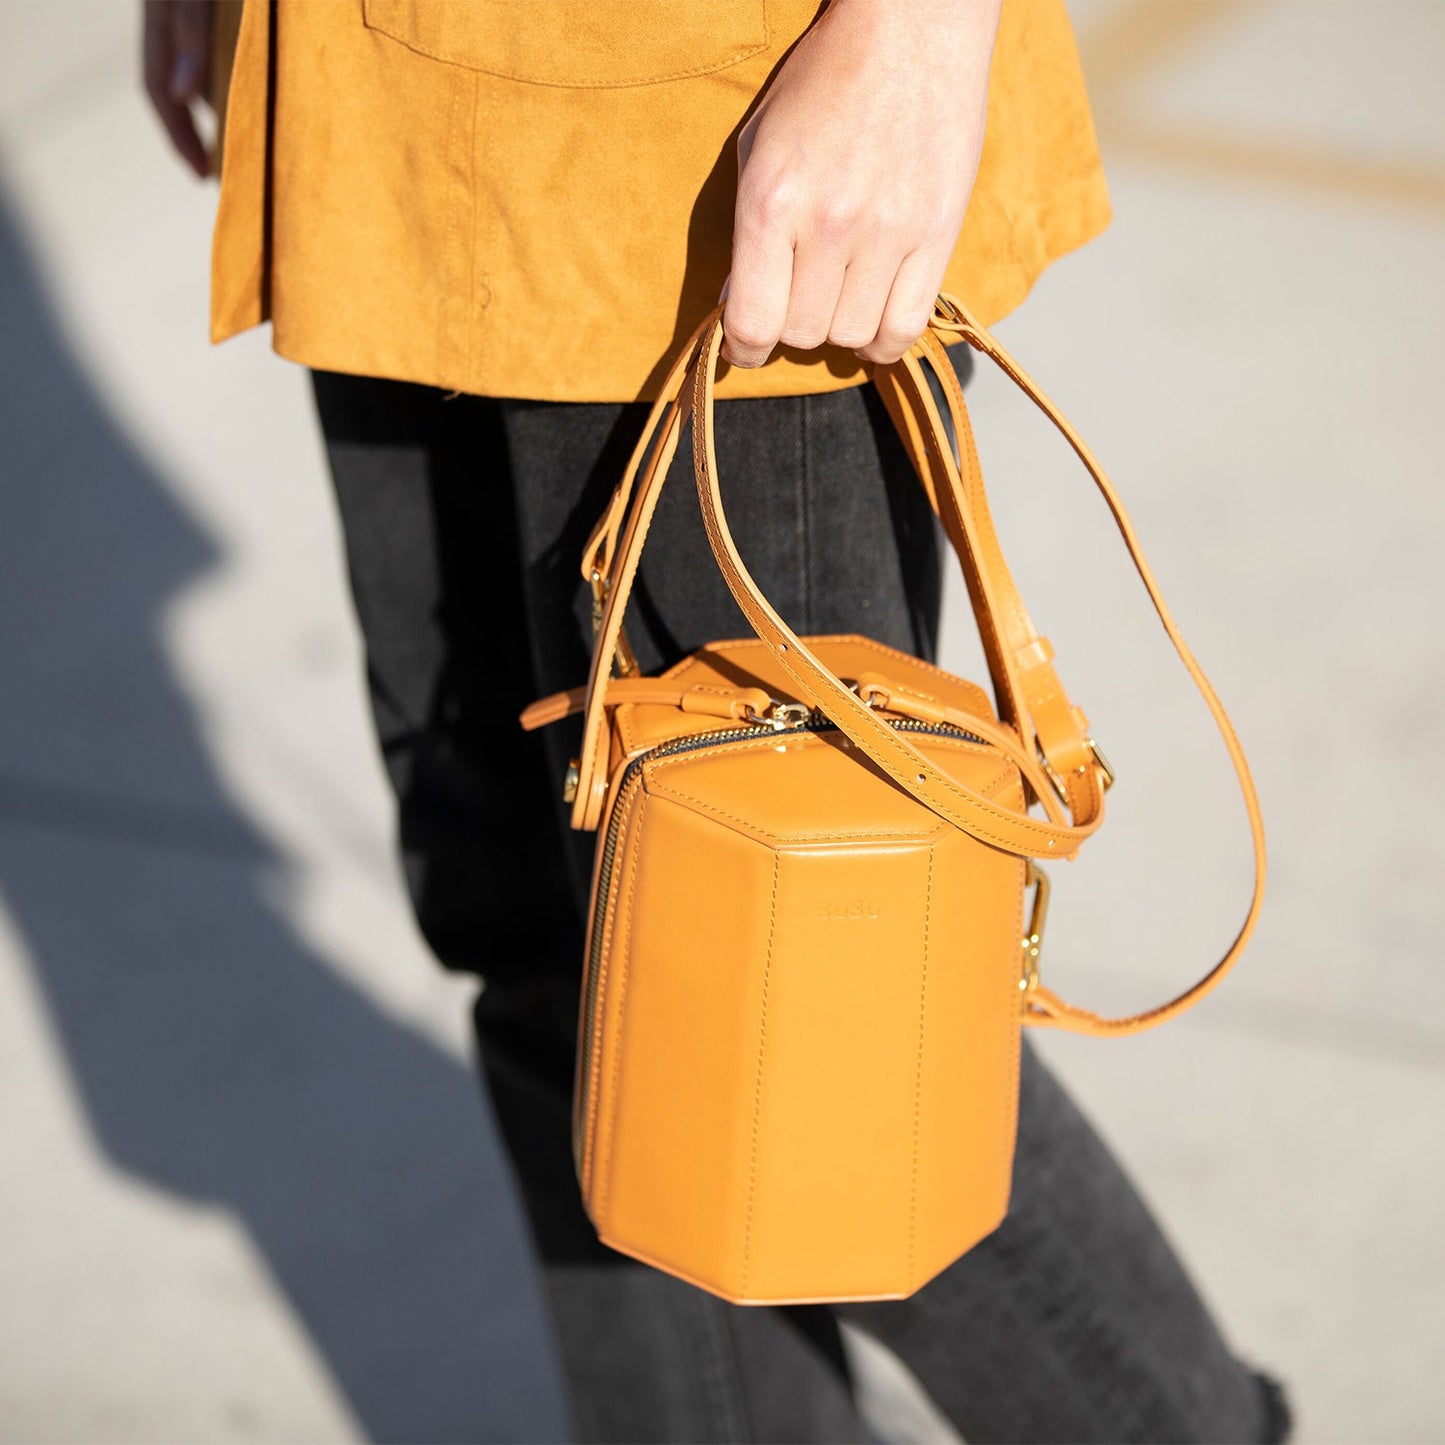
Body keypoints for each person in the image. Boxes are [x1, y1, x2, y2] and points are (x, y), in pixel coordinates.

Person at [144, 1, 1290, 1439]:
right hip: (382, 126)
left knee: (826, 1024)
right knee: (569, 978)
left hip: (708, 156)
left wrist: (914, 35)